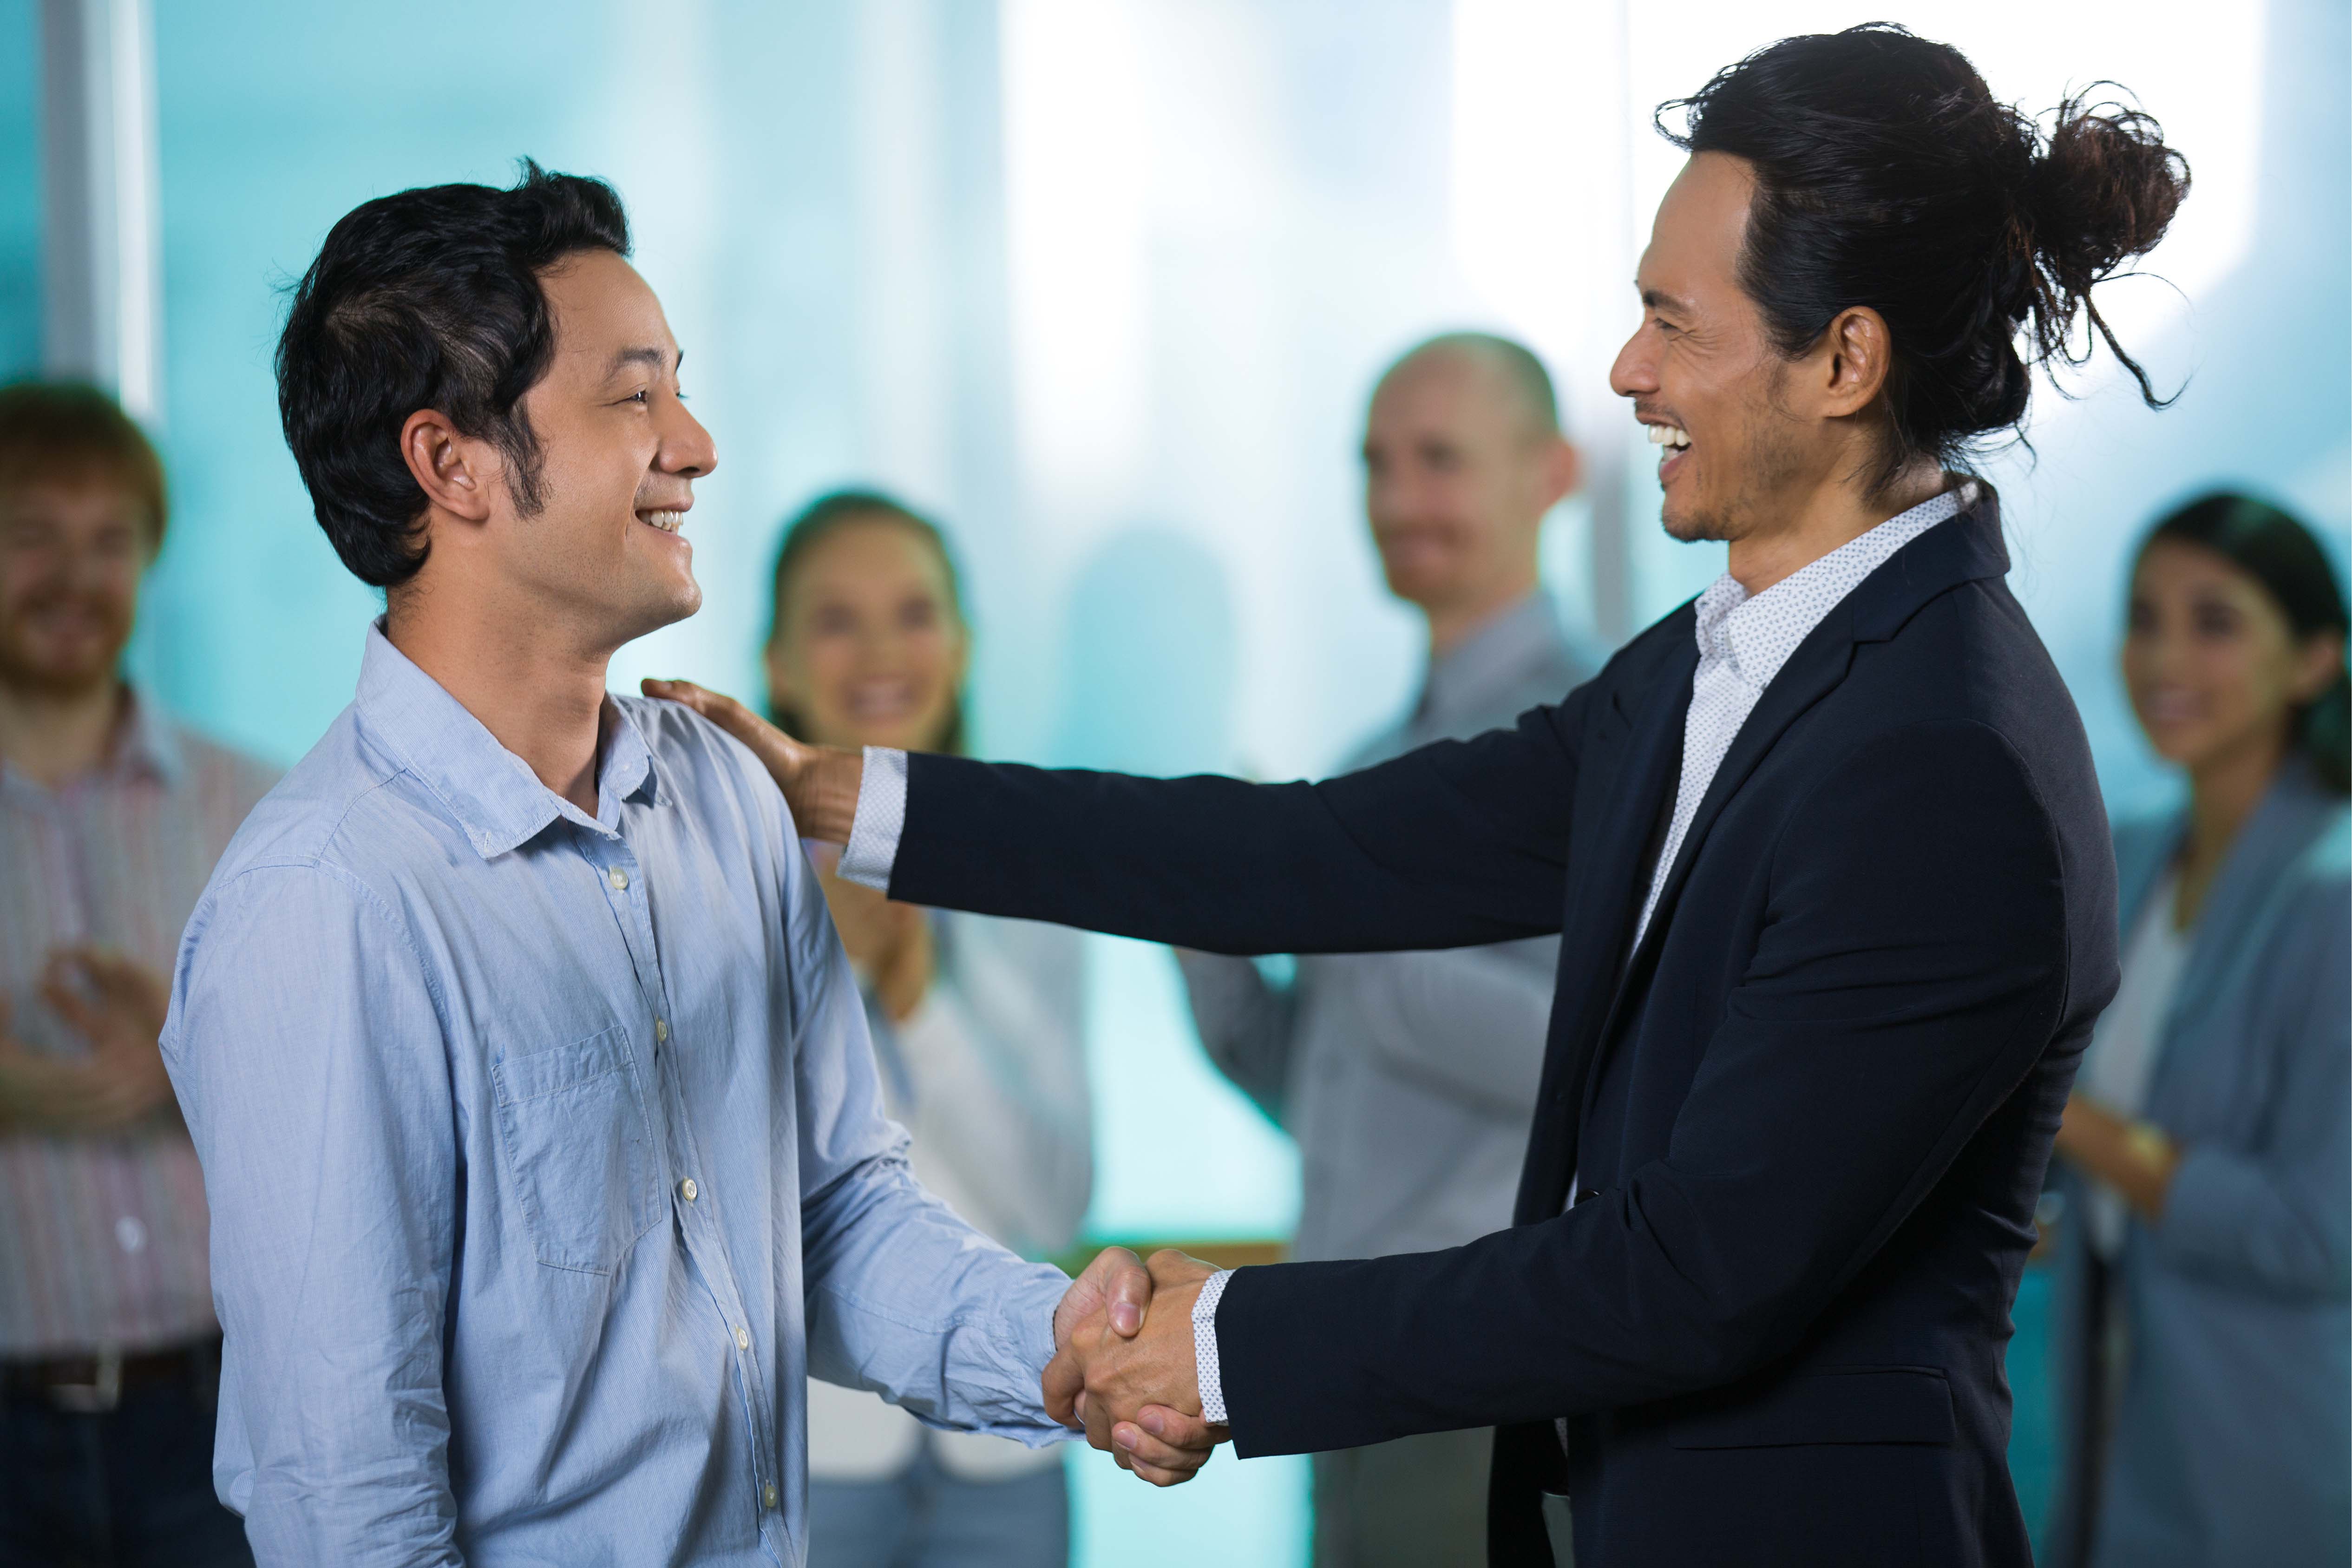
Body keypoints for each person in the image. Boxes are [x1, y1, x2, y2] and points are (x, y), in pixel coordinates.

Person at [654, 26, 2191, 1566]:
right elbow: (1315, 856)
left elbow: (1692, 1271)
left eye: (1672, 322)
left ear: (1845, 362)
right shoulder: (1708, 671)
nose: (1628, 371)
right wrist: (846, 798)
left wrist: (1223, 1347)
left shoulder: (1944, 760)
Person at [158, 164, 1199, 1568]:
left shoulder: (723, 796)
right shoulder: (325, 908)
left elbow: (832, 1218)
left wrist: (1061, 1341)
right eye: (634, 396)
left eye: (680, 391)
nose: (696, 447)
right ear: (452, 465)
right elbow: (350, 1498)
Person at [1174, 332, 1586, 1566]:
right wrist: (1204, 907)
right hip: (1346, 1367)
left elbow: (1584, 1058)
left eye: (1440, 459)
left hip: (1487, 1363)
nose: (1399, 500)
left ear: (1552, 474)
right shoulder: (1367, 770)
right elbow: (1316, 1082)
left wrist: (1323, 903)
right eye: (1376, 463)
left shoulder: (1596, 747)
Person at [767, 490, 1092, 1567]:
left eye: (913, 613)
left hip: (1008, 1447)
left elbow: (1054, 1199)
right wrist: (830, 966)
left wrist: (915, 996)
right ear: (776, 660)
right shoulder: (716, 876)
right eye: (836, 619)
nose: (879, 653)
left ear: (962, 644)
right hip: (800, 1450)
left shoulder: (1037, 877)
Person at [2044, 492, 2350, 1568]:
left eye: (2214, 621)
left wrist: (2071, 1123)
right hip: (2116, 1423)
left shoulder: (2337, 895)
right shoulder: (2128, 852)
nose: (2165, 657)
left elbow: (2319, 1231)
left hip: (2269, 1459)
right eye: (2145, 618)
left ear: (2315, 658)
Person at [0, 381, 275, 1568]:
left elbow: (352, 1100)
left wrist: (191, 1059)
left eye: (110, 541)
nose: (76, 577)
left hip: (223, 1416)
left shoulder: (253, 809)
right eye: (31, 535)